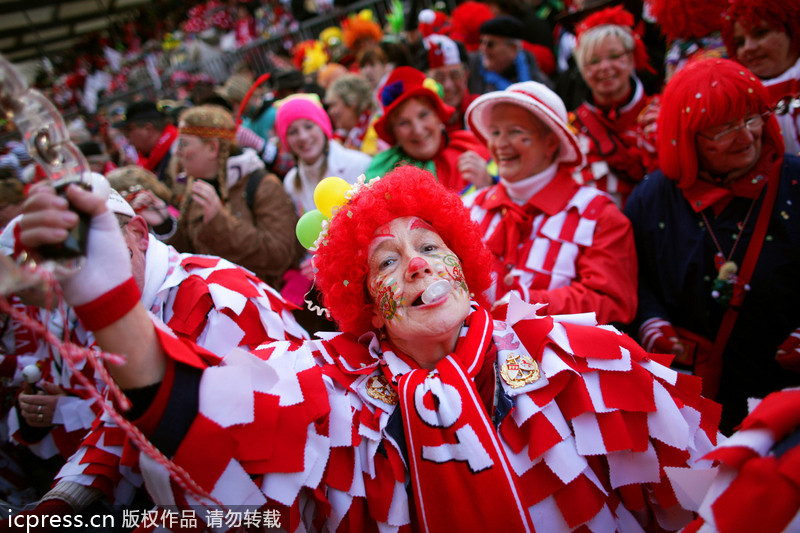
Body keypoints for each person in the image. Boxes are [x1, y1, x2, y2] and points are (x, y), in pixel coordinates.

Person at [14, 164, 722, 531]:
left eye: (430, 245)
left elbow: (706, 493)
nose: (414, 264)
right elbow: (221, 422)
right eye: (386, 260)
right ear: (364, 308)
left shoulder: (575, 353)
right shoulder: (343, 389)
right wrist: (112, 305)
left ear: (466, 264)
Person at [4, 175, 309, 520]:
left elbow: (237, 454)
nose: (87, 272)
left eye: (97, 247)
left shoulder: (214, 298)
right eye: (69, 264)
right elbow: (123, 417)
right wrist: (55, 506)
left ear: (139, 233)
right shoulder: (103, 307)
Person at [624, 58, 800, 434]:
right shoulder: (652, 198)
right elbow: (634, 279)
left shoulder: (795, 181)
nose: (747, 135)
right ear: (685, 137)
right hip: (691, 406)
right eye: (724, 128)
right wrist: (652, 323)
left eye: (753, 118)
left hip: (787, 398)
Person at [463, 80, 638, 326]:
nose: (500, 144)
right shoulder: (467, 207)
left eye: (515, 131)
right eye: (495, 132)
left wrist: (529, 303)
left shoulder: (598, 215)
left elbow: (612, 303)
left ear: (551, 142)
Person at [158, 104, 304, 290]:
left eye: (184, 144)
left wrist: (220, 222)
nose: (177, 152)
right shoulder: (196, 189)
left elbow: (279, 255)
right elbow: (189, 255)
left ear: (212, 148)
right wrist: (164, 224)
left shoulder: (263, 184)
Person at [569, 5, 659, 208]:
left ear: (630, 58)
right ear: (582, 69)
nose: (604, 68)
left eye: (614, 56)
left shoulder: (660, 114)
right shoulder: (571, 128)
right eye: (593, 61)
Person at [365, 66, 493, 192]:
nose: (418, 130)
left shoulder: (473, 147)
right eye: (403, 123)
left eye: (424, 115)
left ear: (438, 115)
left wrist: (489, 184)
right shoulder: (382, 171)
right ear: (393, 132)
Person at [721, 0, 800, 156]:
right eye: (740, 42)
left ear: (792, 30)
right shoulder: (731, 100)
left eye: (761, 33)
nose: (749, 48)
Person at [275, 94, 372, 215]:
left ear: (323, 127)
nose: (303, 137)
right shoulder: (291, 183)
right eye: (292, 132)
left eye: (309, 126)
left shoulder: (360, 165)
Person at [467, 15, 552, 95]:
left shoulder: (537, 81)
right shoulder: (471, 70)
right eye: (481, 42)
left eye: (490, 44)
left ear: (513, 48)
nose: (482, 49)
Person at [421, 33, 478, 133]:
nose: (448, 85)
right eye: (439, 78)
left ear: (466, 75)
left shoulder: (480, 110)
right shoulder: (419, 123)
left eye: (455, 75)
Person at [114, 100, 178, 185]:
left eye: (129, 130)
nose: (127, 139)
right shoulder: (153, 158)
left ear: (148, 129)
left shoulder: (177, 149)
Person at [324, 73, 385, 155]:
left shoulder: (378, 128)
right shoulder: (343, 138)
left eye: (334, 105)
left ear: (352, 101)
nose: (331, 112)